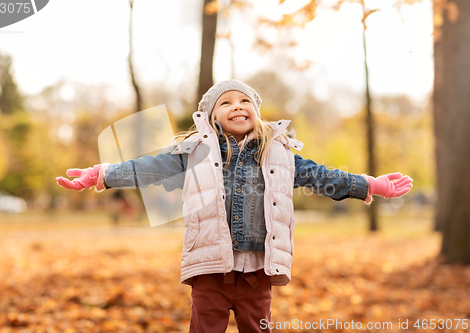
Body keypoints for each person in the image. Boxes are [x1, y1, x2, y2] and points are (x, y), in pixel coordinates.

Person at [56, 80, 413, 333]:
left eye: (244, 102)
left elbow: (323, 177)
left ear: (256, 113)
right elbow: (146, 168)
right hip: (210, 268)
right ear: (212, 117)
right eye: (225, 102)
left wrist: (371, 185)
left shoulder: (280, 154)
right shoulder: (194, 152)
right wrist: (100, 175)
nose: (236, 106)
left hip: (258, 271)